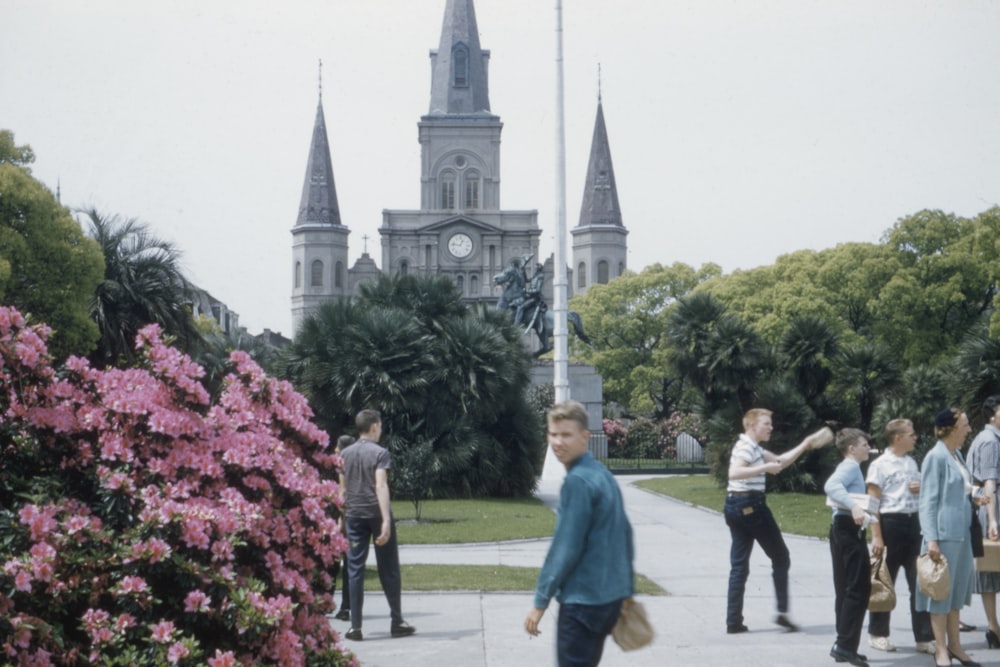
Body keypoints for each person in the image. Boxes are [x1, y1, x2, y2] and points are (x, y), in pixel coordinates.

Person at [524, 400, 634, 666]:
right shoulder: (601, 474)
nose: (558, 442)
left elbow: (565, 548)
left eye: (566, 435)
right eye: (553, 434)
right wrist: (624, 590)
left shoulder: (577, 482)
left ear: (585, 437)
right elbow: (625, 534)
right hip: (608, 599)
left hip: (583, 602)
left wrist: (540, 603)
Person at [724, 408, 832, 634]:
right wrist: (764, 468)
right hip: (751, 507)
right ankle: (782, 612)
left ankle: (733, 621)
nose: (771, 427)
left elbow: (781, 462)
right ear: (752, 426)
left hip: (734, 506)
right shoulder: (746, 446)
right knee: (781, 558)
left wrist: (805, 444)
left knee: (739, 565)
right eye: (766, 424)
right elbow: (734, 473)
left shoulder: (753, 447)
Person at [917, 408, 985, 667]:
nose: (969, 429)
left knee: (956, 594)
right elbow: (928, 501)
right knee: (941, 594)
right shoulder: (935, 457)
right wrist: (931, 539)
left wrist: (975, 497)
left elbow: (960, 489)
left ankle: (956, 646)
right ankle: (941, 650)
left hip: (963, 535)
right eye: (965, 424)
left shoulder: (956, 455)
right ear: (951, 427)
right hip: (944, 536)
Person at [340, 409, 415, 641]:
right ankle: (396, 620)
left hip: (353, 515)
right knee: (389, 568)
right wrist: (386, 520)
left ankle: (355, 627)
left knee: (354, 569)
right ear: (373, 426)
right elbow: (380, 485)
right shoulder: (380, 453)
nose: (381, 430)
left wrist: (341, 519)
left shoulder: (345, 453)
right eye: (380, 426)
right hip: (375, 513)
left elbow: (342, 490)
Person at [865, 418, 935, 654]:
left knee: (920, 581)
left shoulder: (911, 462)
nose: (915, 437)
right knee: (885, 580)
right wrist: (876, 535)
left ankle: (924, 637)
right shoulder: (879, 465)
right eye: (911, 434)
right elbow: (872, 502)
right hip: (890, 524)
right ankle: (878, 633)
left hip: (913, 524)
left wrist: (921, 486)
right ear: (897, 438)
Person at [825, 428, 875, 667]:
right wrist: (854, 506)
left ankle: (843, 644)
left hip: (841, 529)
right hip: (847, 529)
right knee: (858, 588)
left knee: (845, 588)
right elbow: (831, 486)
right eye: (864, 444)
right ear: (851, 448)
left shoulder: (849, 466)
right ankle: (845, 645)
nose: (868, 447)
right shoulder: (851, 466)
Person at [966, 395, 1000, 649]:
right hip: (992, 506)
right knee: (990, 565)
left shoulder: (988, 438)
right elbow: (990, 482)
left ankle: (993, 626)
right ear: (992, 415)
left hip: (988, 504)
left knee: (991, 567)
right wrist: (992, 519)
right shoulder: (990, 441)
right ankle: (993, 626)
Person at [333, 434, 355, 622]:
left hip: (346, 517)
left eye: (337, 447)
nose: (335, 450)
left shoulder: (343, 464)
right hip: (359, 515)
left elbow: (343, 492)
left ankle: (343, 606)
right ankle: (347, 606)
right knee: (351, 565)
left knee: (336, 562)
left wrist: (340, 520)